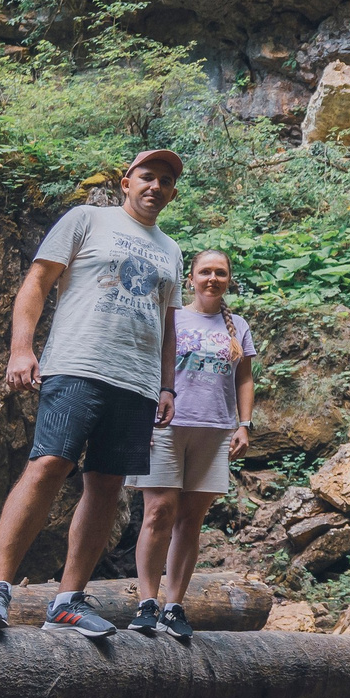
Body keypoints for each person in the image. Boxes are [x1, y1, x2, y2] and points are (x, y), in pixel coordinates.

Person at [0, 149, 185, 639]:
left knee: (106, 485)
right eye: (147, 177)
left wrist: (168, 385)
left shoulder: (171, 250)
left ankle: (68, 600)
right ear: (126, 181)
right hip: (78, 364)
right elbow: (37, 282)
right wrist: (21, 348)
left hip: (138, 381)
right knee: (48, 464)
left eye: (166, 181)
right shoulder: (87, 219)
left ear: (173, 193)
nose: (156, 186)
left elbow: (170, 326)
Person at [131, 249, 256, 641]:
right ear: (190, 279)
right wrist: (140, 416)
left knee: (190, 521)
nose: (212, 279)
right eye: (205, 272)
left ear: (228, 280)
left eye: (220, 273)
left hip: (215, 429)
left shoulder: (238, 325)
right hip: (165, 425)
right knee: (158, 513)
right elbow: (146, 366)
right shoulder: (173, 318)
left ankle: (174, 606)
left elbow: (244, 379)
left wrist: (245, 424)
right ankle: (147, 602)